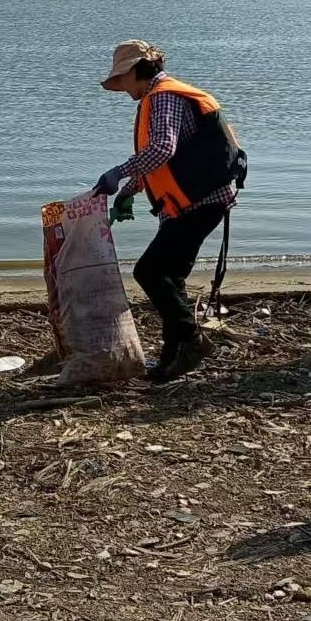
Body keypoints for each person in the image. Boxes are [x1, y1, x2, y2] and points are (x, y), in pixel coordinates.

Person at [94, 41, 245, 383]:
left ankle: (193, 342)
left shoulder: (162, 96)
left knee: (149, 272)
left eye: (122, 80)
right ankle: (169, 362)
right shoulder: (161, 95)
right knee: (170, 278)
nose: (123, 90)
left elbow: (163, 148)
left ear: (134, 72)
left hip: (200, 203)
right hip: (198, 202)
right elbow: (166, 162)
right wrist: (130, 191)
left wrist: (118, 173)